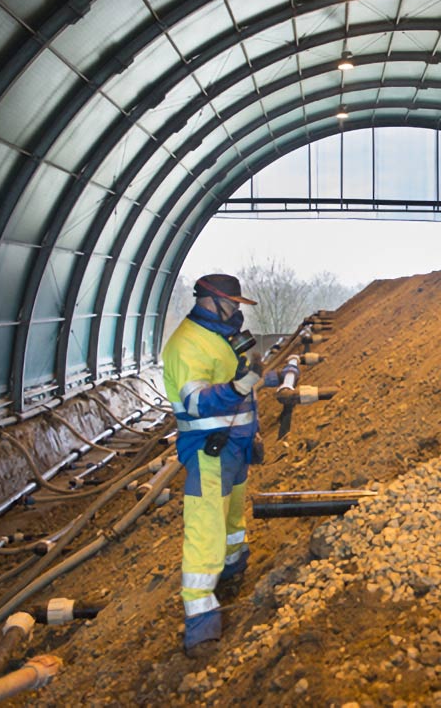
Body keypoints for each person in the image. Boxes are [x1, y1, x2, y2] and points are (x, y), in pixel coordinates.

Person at [161, 273, 266, 658]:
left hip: (235, 447)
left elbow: (240, 388)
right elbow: (197, 403)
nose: (237, 310)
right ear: (211, 300)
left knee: (232, 522)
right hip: (209, 452)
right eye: (233, 303)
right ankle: (201, 624)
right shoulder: (186, 345)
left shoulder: (220, 336)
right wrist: (239, 386)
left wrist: (252, 427)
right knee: (207, 530)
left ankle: (232, 575)